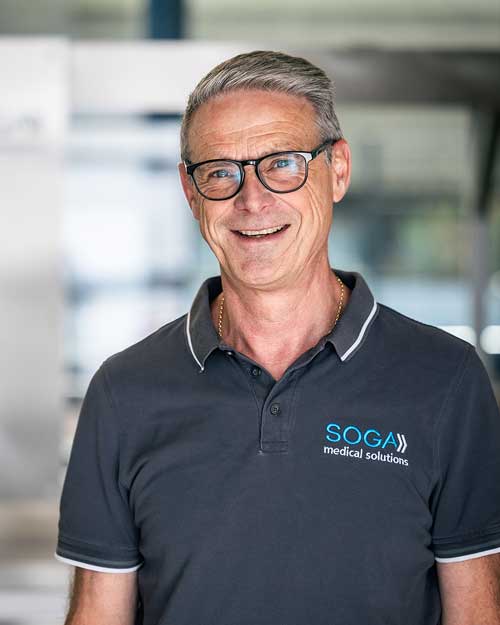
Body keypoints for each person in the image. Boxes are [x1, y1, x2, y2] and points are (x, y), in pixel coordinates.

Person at [55, 50, 500, 625]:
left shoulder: (445, 379)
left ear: (338, 170)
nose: (252, 200)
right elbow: (97, 615)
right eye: (221, 172)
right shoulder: (123, 392)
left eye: (283, 164)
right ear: (190, 193)